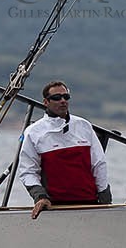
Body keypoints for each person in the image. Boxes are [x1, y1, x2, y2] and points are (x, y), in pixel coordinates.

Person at [20, 81, 112, 218]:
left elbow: (99, 163)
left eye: (66, 97)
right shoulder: (33, 132)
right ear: (46, 102)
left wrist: (104, 196)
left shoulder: (84, 126)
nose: (62, 101)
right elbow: (27, 171)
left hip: (89, 203)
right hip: (55, 206)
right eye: (57, 98)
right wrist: (40, 197)